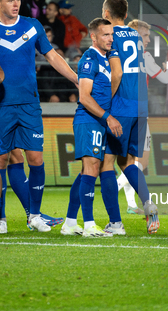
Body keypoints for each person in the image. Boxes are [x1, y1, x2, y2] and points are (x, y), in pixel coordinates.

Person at [0, 0, 78, 231]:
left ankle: (34, 216)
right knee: (0, 161)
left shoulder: (32, 25)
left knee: (35, 158)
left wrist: (76, 79)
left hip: (29, 104)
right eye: (11, 0)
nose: (16, 4)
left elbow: (53, 56)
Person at [62, 18, 122, 237]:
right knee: (91, 169)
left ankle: (69, 222)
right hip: (89, 120)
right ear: (94, 37)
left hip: (99, 121)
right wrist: (108, 117)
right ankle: (89, 225)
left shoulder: (107, 59)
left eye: (111, 34)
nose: (110, 39)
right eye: (105, 35)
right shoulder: (89, 58)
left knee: (88, 171)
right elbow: (84, 97)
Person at [115, 18, 168, 215]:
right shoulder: (144, 56)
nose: (148, 39)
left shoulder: (118, 53)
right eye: (146, 35)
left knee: (125, 160)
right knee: (140, 162)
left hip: (119, 109)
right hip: (137, 112)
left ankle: (131, 204)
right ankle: (115, 188)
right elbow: (164, 78)